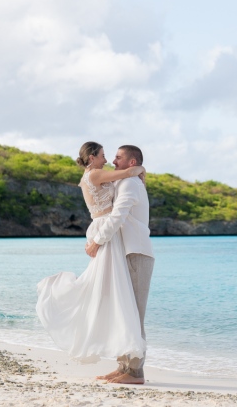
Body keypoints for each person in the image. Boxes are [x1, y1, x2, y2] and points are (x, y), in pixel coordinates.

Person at [36, 141, 146, 376]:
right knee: (114, 292)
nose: (107, 160)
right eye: (104, 155)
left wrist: (137, 171)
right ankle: (128, 365)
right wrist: (140, 170)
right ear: (92, 157)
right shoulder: (95, 174)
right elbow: (127, 172)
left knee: (107, 290)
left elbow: (122, 178)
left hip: (103, 228)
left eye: (111, 156)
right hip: (106, 229)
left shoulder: (93, 175)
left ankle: (124, 364)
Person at [85, 145, 154, 385]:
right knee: (124, 311)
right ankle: (124, 366)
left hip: (136, 252)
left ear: (131, 162)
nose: (113, 161)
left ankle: (136, 372)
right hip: (125, 252)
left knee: (134, 314)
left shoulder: (130, 183)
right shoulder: (125, 180)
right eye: (112, 156)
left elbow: (118, 215)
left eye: (118, 157)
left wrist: (97, 241)